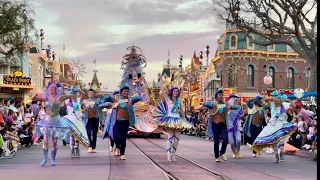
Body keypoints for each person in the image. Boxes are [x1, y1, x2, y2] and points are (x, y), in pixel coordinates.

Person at [33, 81, 75, 166]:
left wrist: (70, 92)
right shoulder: (46, 98)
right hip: (47, 121)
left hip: (56, 121)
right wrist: (36, 93)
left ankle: (52, 159)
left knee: (54, 142)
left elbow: (72, 95)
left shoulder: (59, 98)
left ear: (56, 90)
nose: (51, 90)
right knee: (45, 140)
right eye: (50, 89)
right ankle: (44, 159)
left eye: (53, 89)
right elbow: (34, 99)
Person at [251, 90, 297, 163]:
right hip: (272, 124)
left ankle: (281, 152)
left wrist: (288, 100)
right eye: (276, 99)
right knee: (274, 141)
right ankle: (276, 155)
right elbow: (266, 100)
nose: (277, 100)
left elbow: (294, 106)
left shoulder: (284, 104)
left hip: (281, 123)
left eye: (278, 99)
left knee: (281, 139)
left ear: (281, 99)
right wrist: (271, 95)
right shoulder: (272, 104)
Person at [154, 77, 192, 162]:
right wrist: (160, 82)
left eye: (177, 91)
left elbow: (181, 110)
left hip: (178, 120)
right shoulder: (168, 99)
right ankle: (168, 154)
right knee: (170, 137)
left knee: (177, 138)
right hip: (169, 120)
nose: (176, 92)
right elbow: (163, 92)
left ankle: (173, 153)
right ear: (172, 92)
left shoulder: (179, 100)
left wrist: (184, 118)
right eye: (174, 91)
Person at [102, 85, 141, 160]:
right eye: (124, 91)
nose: (126, 92)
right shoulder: (116, 100)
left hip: (125, 122)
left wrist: (131, 99)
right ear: (121, 92)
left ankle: (122, 154)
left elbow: (139, 98)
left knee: (123, 138)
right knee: (116, 136)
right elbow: (104, 99)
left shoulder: (130, 100)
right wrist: (112, 98)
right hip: (117, 122)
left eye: (127, 91)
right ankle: (117, 146)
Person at [203, 88, 240, 162]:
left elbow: (237, 107)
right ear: (216, 96)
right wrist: (211, 103)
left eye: (222, 95)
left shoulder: (226, 104)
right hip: (215, 124)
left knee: (226, 138)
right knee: (216, 141)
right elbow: (204, 103)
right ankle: (217, 156)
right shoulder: (213, 104)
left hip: (223, 124)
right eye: (220, 95)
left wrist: (231, 107)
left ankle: (222, 152)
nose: (221, 96)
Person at [63, 85, 89, 158]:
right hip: (70, 120)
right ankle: (72, 151)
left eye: (74, 94)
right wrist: (69, 90)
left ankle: (77, 150)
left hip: (77, 120)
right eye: (72, 94)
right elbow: (64, 96)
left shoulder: (78, 100)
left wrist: (79, 89)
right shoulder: (67, 101)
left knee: (77, 136)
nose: (73, 96)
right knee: (72, 136)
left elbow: (83, 94)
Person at [82, 88, 105, 153]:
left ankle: (93, 147)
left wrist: (100, 95)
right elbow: (81, 108)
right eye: (89, 93)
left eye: (92, 92)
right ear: (88, 94)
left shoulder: (97, 100)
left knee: (94, 134)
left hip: (96, 118)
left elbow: (103, 103)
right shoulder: (85, 101)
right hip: (88, 119)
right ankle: (90, 146)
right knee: (88, 133)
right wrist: (85, 107)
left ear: (94, 94)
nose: (91, 94)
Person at [227, 94, 243, 158]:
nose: (237, 101)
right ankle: (234, 152)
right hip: (230, 127)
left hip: (237, 126)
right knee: (231, 141)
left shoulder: (239, 108)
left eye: (237, 100)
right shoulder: (227, 108)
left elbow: (241, 115)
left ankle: (238, 151)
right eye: (235, 100)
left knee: (238, 139)